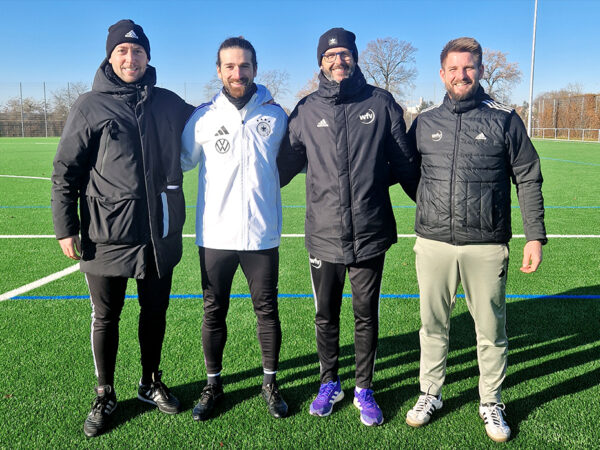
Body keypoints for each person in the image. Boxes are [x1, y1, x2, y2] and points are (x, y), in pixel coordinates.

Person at [51, 19, 194, 438]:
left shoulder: (168, 102)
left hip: (158, 232)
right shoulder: (89, 105)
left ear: (148, 57)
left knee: (155, 311)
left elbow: (211, 118)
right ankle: (105, 392)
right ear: (110, 57)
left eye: (138, 51)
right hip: (105, 233)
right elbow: (65, 171)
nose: (131, 59)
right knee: (106, 316)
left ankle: (150, 381)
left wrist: (253, 96)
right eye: (123, 51)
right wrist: (65, 227)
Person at [404, 37, 547, 443]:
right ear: (442, 73)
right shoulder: (426, 121)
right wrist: (431, 203)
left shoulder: (504, 119)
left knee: (490, 328)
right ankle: (430, 392)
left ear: (480, 71)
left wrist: (534, 236)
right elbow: (408, 171)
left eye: (468, 67)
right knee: (433, 324)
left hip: (486, 245)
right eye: (453, 68)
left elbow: (528, 176)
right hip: (433, 242)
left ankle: (491, 401)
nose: (461, 74)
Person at [277, 27, 419, 427]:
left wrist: (414, 198)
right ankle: (329, 383)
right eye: (330, 56)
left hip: (370, 232)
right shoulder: (306, 110)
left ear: (354, 58)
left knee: (365, 315)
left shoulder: (380, 102)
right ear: (320, 62)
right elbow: (282, 169)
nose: (338, 61)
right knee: (325, 316)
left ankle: (363, 388)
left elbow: (405, 164)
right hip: (323, 235)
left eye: (344, 54)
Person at [181, 37, 288, 421]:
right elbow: (180, 162)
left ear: (255, 68)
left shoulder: (276, 116)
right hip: (215, 235)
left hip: (262, 234)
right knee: (213, 312)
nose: (237, 73)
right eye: (229, 66)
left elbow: (295, 161)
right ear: (219, 70)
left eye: (244, 66)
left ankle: (270, 383)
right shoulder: (204, 117)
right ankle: (213, 384)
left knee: (267, 311)